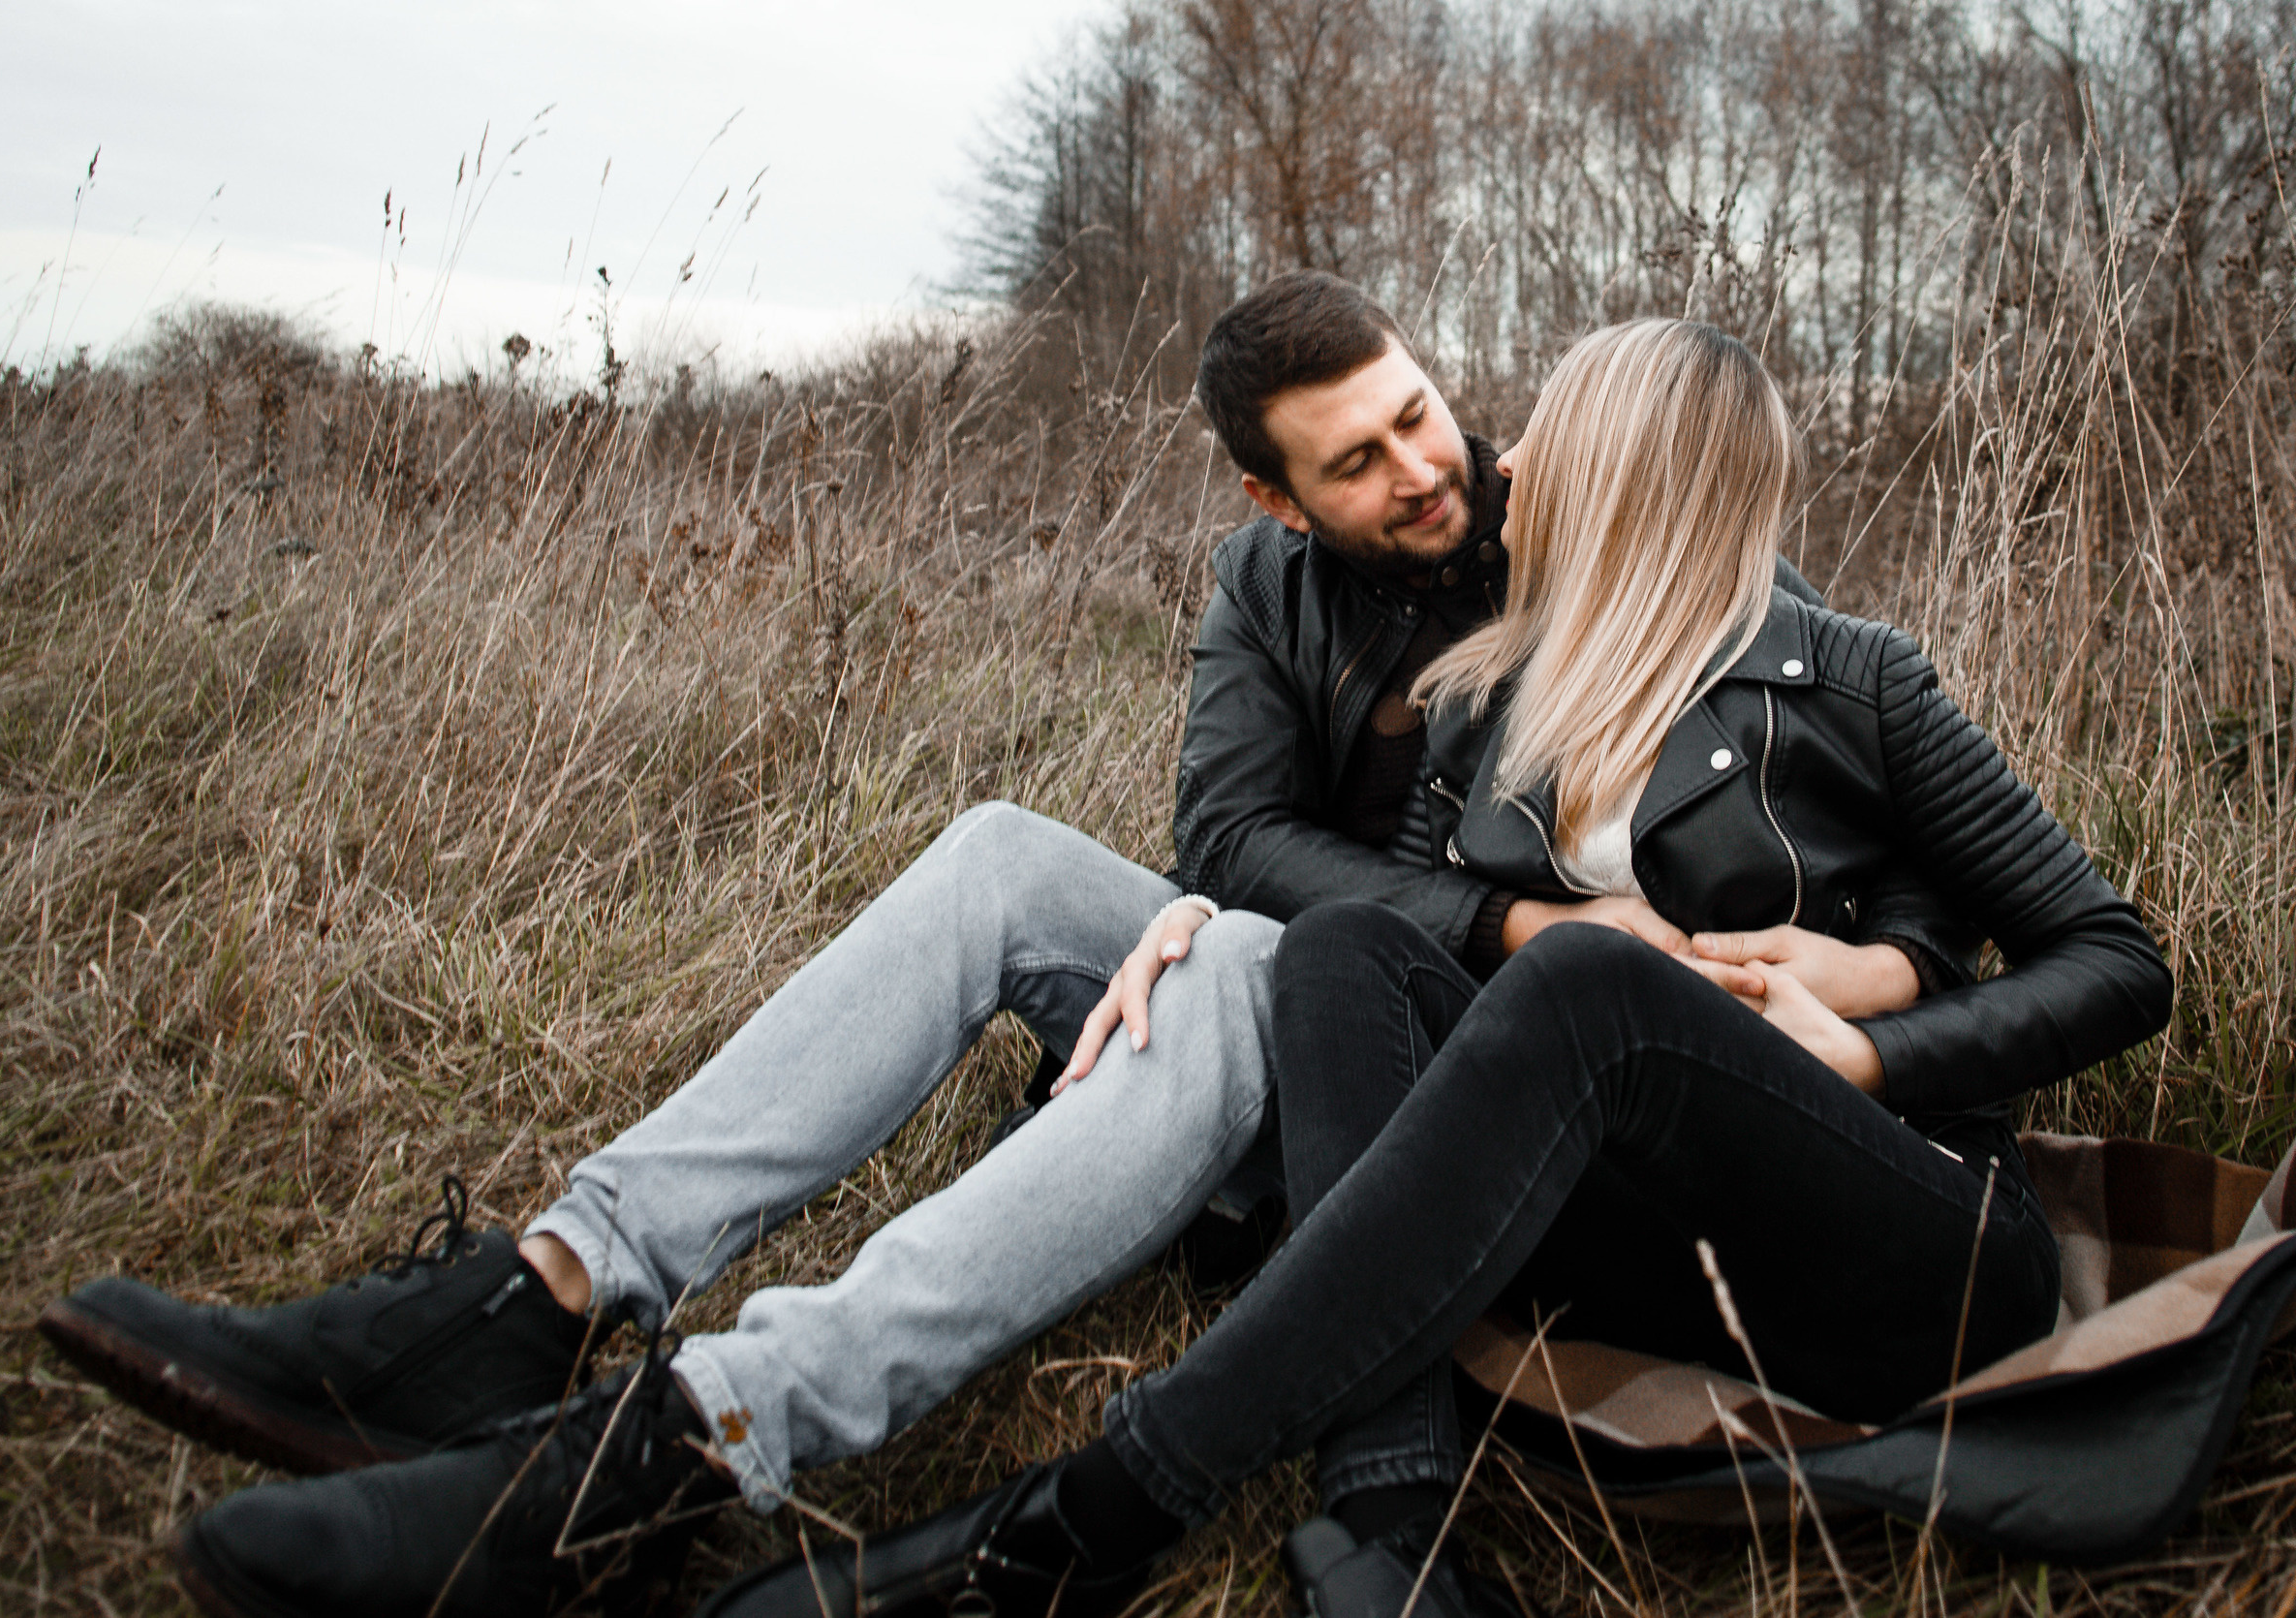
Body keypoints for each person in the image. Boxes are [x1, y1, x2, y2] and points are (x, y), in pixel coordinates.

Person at [46, 280, 1963, 1618]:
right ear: (1270, 498)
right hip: (1365, 960)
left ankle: (702, 1438)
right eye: (1358, 462)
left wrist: (1389, 926)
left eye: (1415, 413)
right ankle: (540, 1293)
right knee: (1000, 862)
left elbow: (1816, 854)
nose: (1422, 469)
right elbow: (1227, 839)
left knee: (1229, 963)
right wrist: (1279, 905)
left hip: (1469, 1064)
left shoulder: (1603, 537)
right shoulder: (1268, 587)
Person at [693, 318, 2173, 1618]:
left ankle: (1101, 1503)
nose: (1505, 461)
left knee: (1585, 987)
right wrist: (1204, 914)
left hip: (1901, 1243)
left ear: (1630, 482)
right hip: (1655, 1241)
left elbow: (2115, 958)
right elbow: (1395, 916)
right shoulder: (1487, 696)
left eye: (1551, 436)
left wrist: (1874, 1038)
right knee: (1343, 950)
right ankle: (1392, 1522)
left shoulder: (1857, 680)